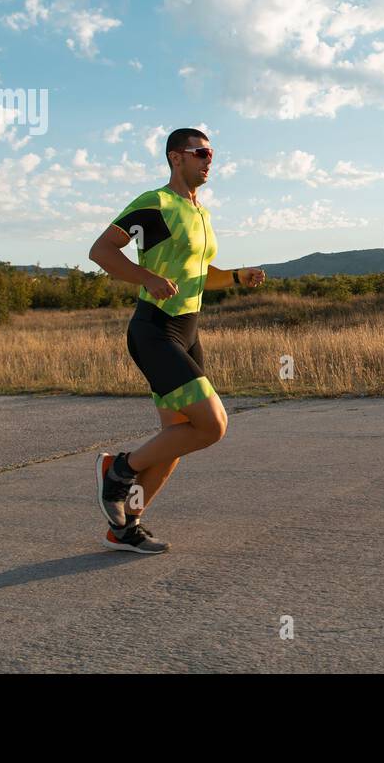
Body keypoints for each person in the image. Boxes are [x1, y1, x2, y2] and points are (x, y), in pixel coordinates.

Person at [87, 127, 265, 553]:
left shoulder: (200, 213)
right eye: (200, 152)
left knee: (176, 440)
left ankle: (125, 526)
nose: (209, 161)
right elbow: (102, 251)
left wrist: (238, 277)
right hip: (154, 329)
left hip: (188, 331)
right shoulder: (156, 203)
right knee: (212, 425)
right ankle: (118, 469)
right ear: (176, 158)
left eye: (212, 154)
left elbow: (202, 274)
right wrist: (146, 276)